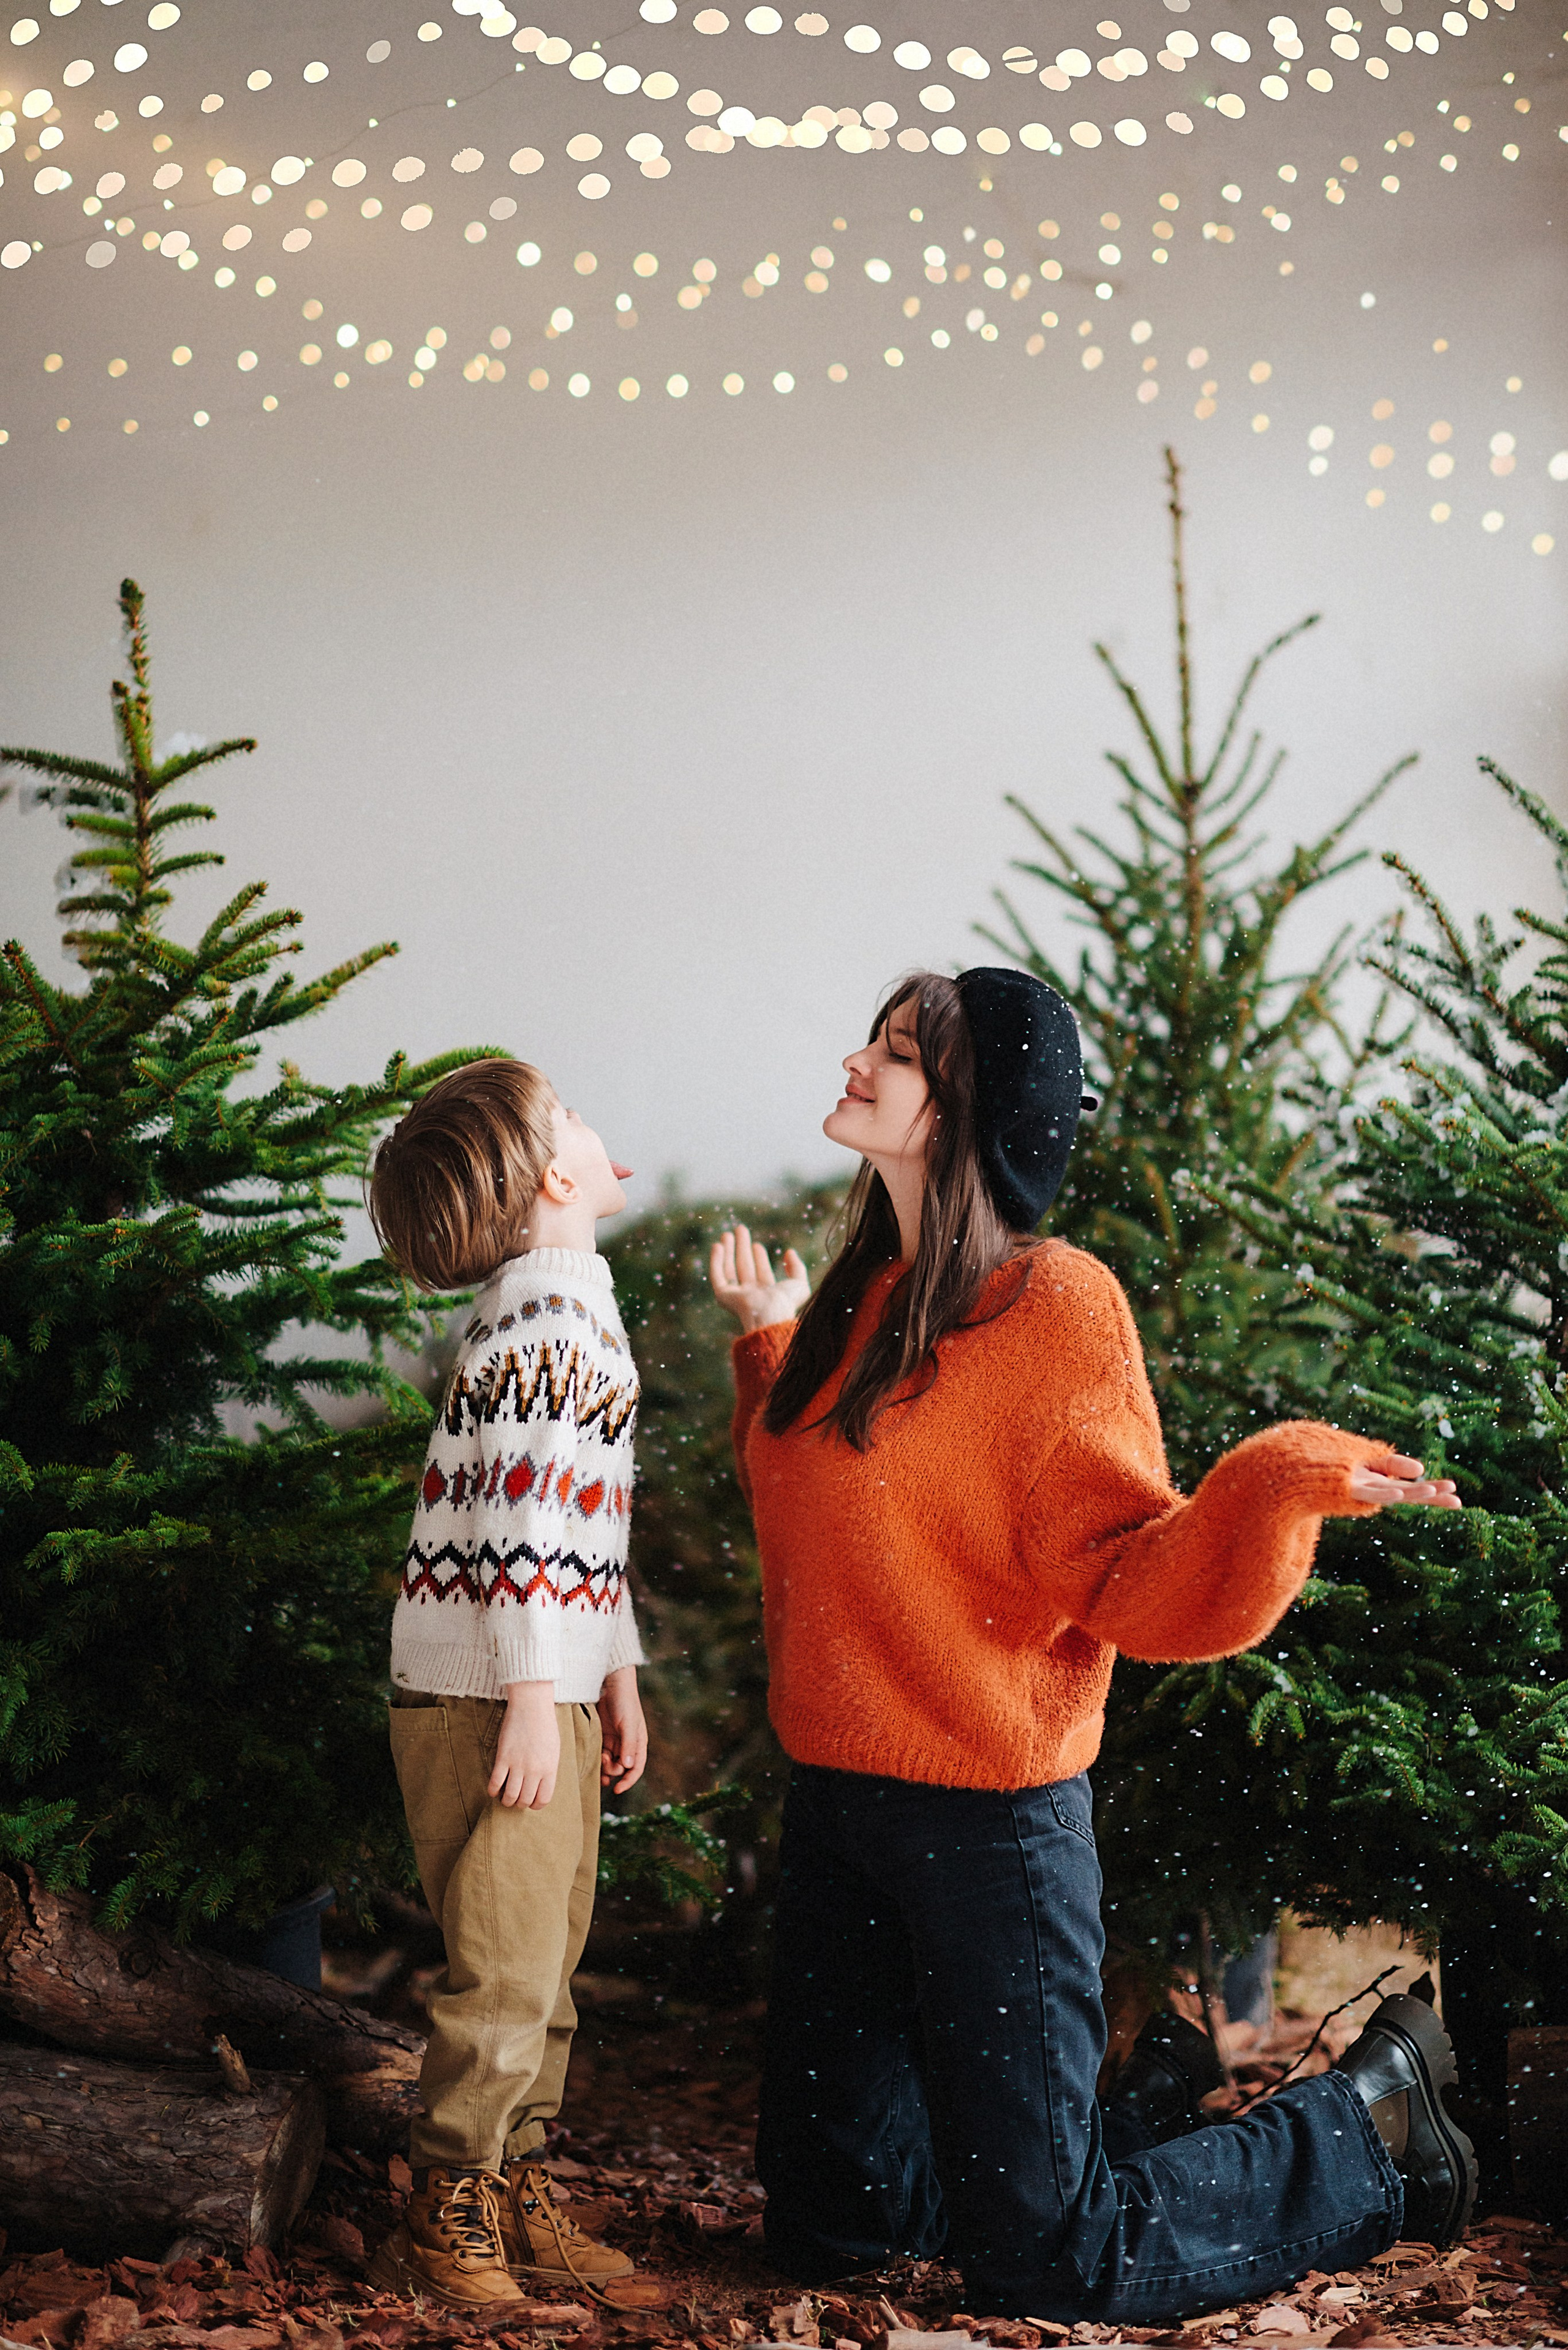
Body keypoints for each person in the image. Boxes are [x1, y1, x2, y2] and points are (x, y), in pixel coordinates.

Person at [709, 968, 1474, 2327]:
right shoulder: (859, 1293)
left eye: (895, 1052)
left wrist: (1277, 1479)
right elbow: (811, 1511)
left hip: (989, 1830)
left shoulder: (1055, 1305)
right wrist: (765, 1347)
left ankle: (1368, 2119)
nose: (855, 1061)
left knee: (1047, 2265)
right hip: (840, 1807)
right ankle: (1137, 2107)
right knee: (836, 2226)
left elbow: (1134, 1574)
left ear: (971, 1111)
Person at [364, 1059, 660, 2313]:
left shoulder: (561, 1305)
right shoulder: (546, 1321)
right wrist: (542, 1692)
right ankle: (445, 2199)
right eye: (577, 1117)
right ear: (553, 1172)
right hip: (493, 1689)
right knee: (502, 1962)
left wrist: (616, 1670)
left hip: (537, 1671)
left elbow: (587, 1524)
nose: (599, 1126)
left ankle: (514, 2167)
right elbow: (527, 1526)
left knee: (545, 1952)